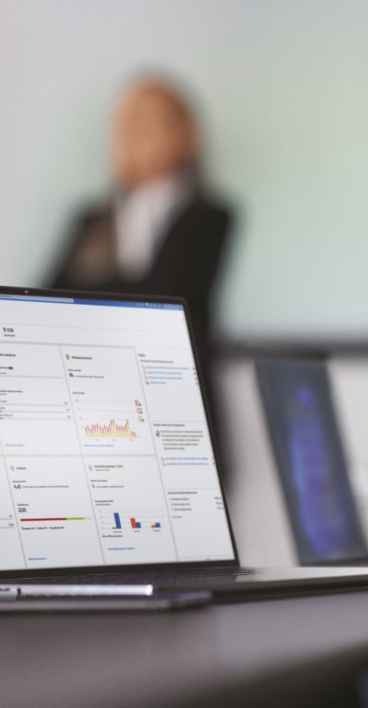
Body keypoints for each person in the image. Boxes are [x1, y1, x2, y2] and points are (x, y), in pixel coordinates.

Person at [46, 75, 233, 437]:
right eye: (128, 123)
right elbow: (47, 298)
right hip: (97, 402)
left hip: (178, 403)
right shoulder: (93, 219)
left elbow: (164, 296)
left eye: (151, 121)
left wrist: (89, 292)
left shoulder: (208, 216)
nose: (137, 133)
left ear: (183, 132)